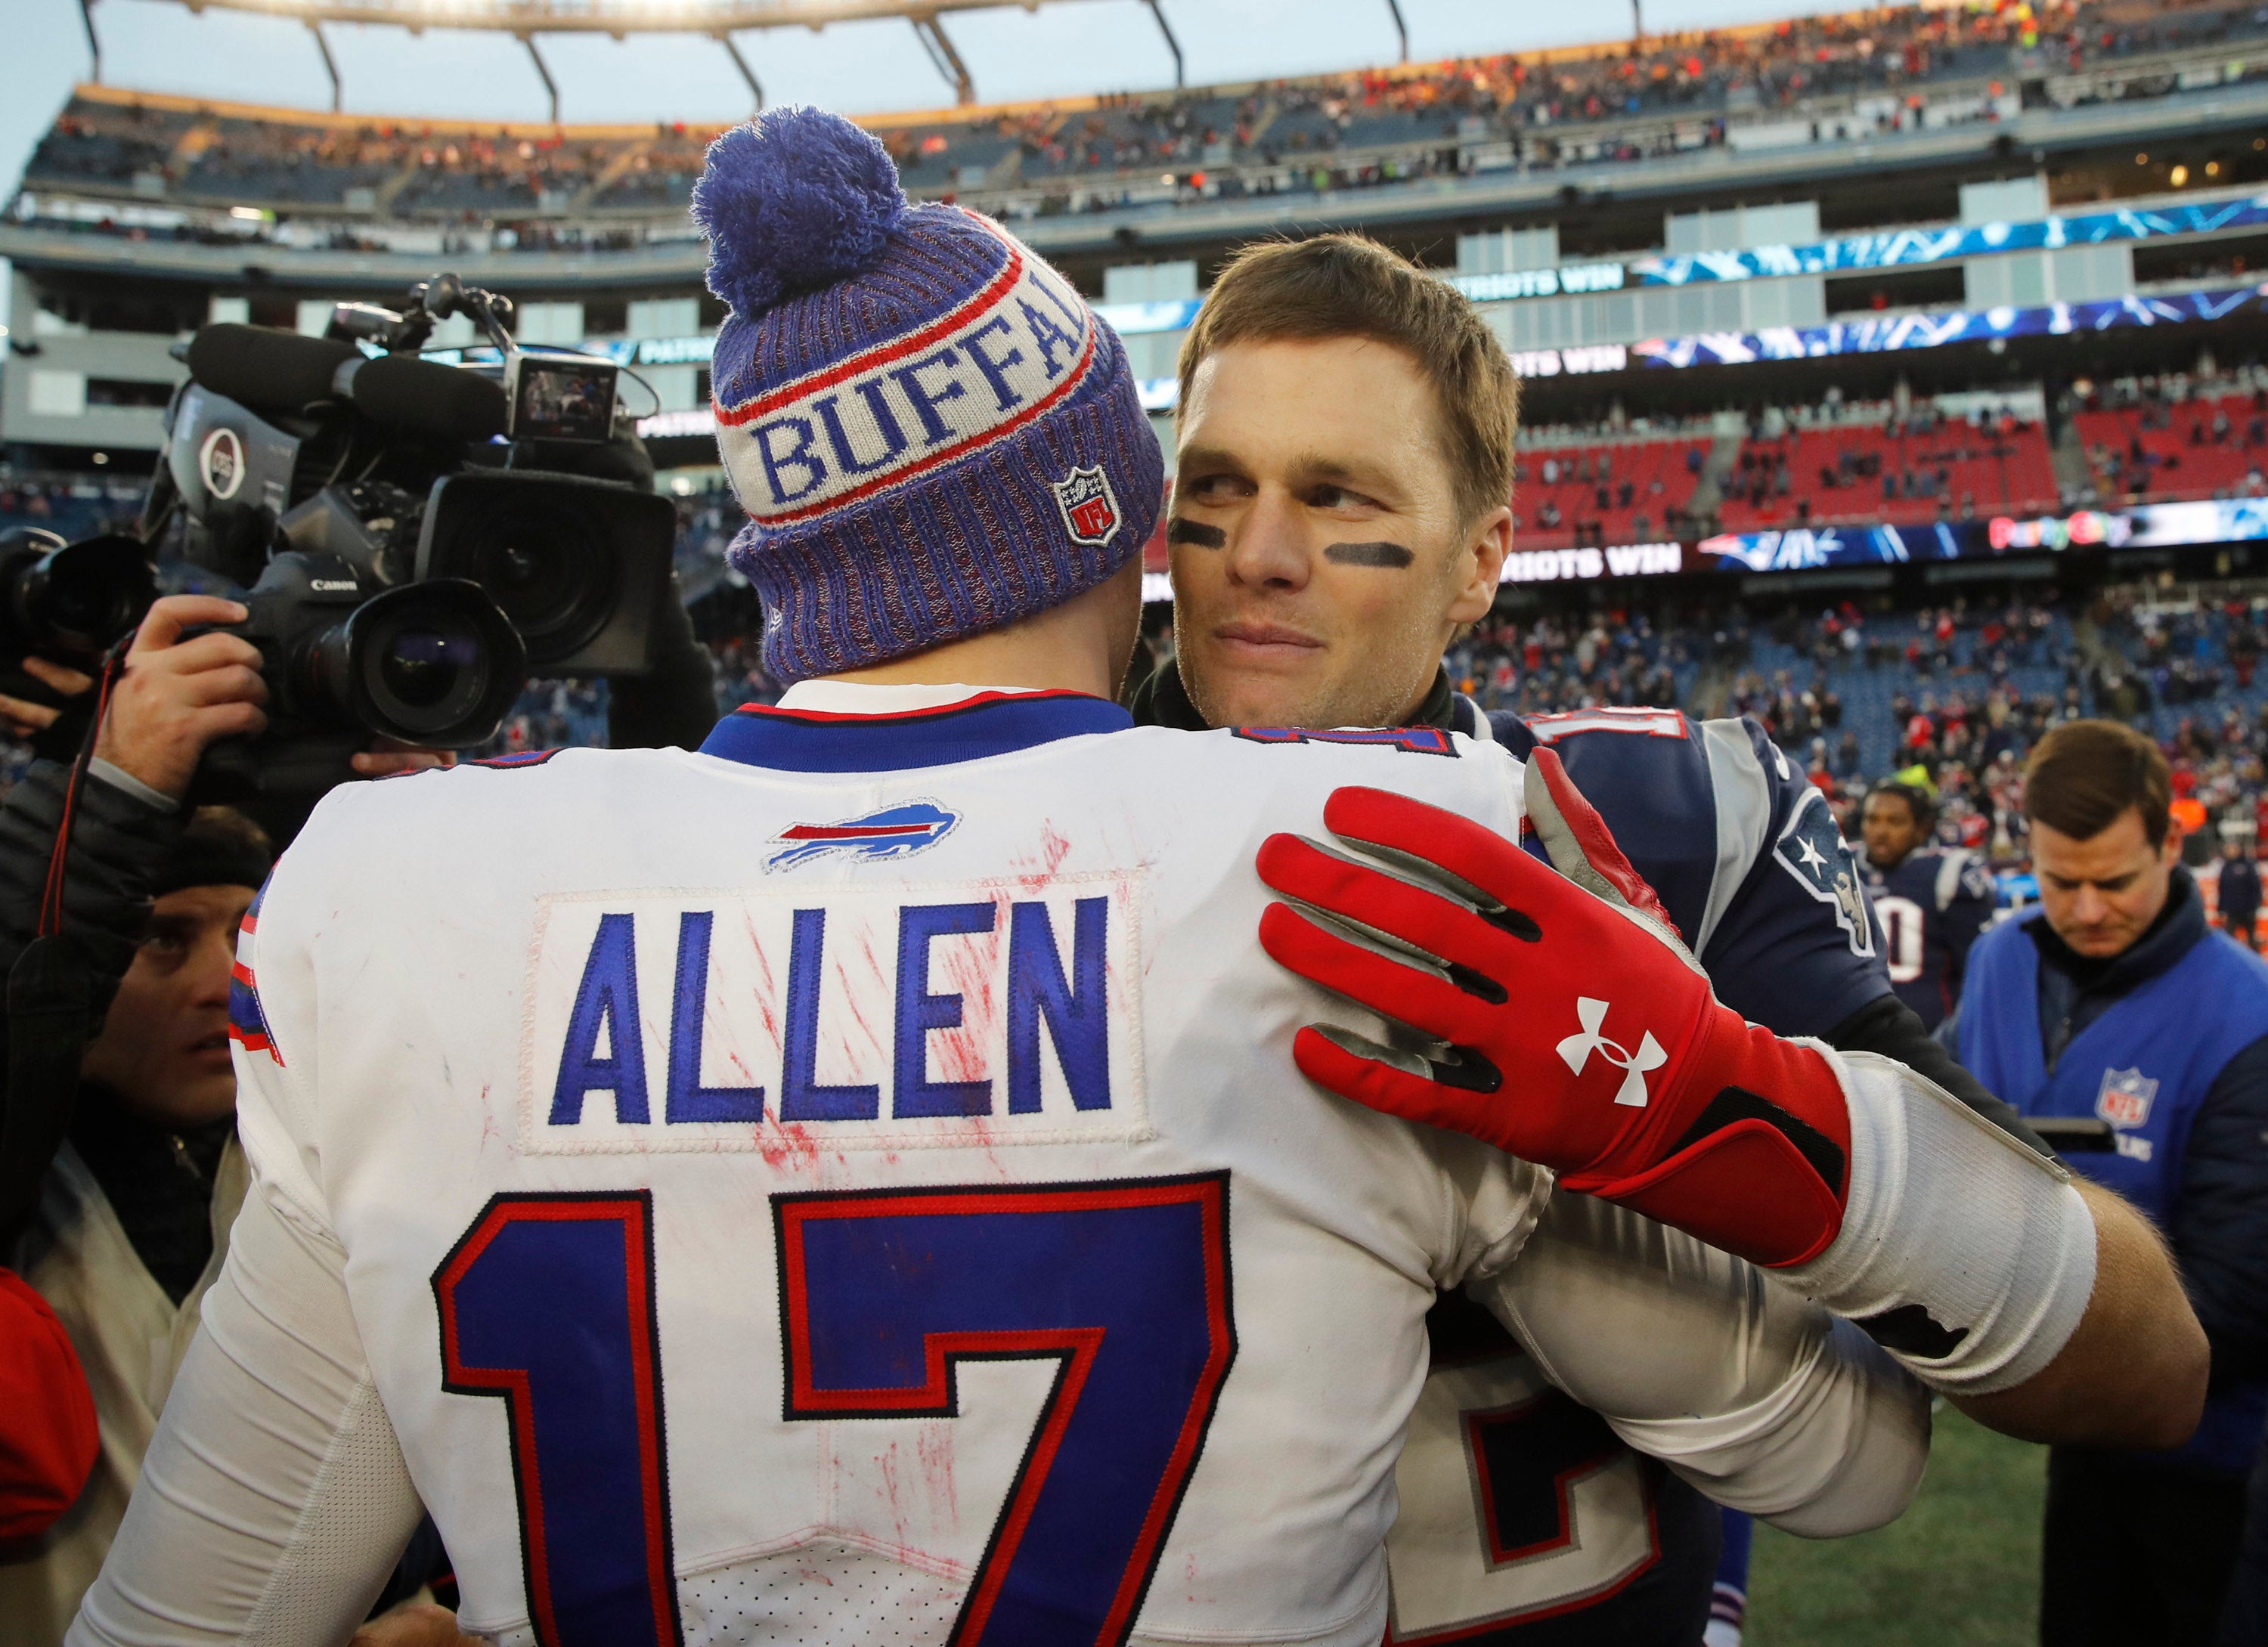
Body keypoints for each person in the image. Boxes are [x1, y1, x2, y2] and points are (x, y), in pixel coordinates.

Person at [73, 112, 1961, 1647]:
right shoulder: (1380, 856)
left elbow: (184, 1615)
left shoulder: (401, 887)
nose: (1253, 555)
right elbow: (1845, 1448)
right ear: (1120, 512)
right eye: (1208, 496)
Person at [1138, 229, 2204, 1646]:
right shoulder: (1015, 836)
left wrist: (1723, 1107)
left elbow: (2144, 1363)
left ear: (1479, 560)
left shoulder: (1665, 820)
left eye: (1338, 497)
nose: (1259, 556)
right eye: (1219, 487)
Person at [0, 596, 457, 1645]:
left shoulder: (324, 1150)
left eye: (243, 931)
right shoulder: (38, 1177)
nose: (224, 979)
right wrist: (106, 798)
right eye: (164, 938)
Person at [1948, 720, 2268, 1645]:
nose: (2086, 910)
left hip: (2211, 1463)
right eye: (2060, 882)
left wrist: (2013, 1334)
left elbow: (2239, 1296)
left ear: (2174, 844)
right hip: (2084, 1442)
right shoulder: (2002, 959)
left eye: (2115, 881)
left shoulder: (2244, 1018)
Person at [1858, 779, 1997, 1029]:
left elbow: (1980, 971)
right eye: (1872, 819)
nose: (1880, 831)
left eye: (1894, 822)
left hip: (1930, 1037)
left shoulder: (1947, 872)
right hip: (1855, 1037)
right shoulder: (1841, 867)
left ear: (1921, 830)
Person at [2220, 835, 2262, 952]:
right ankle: (2228, 963)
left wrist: (2254, 906)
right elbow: (2223, 890)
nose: (2229, 851)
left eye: (2232, 848)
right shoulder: (2226, 867)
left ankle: (2258, 965)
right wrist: (2222, 909)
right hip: (2232, 911)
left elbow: (2256, 887)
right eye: (2228, 849)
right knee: (2228, 939)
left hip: (2247, 909)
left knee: (2252, 939)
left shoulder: (2248, 866)